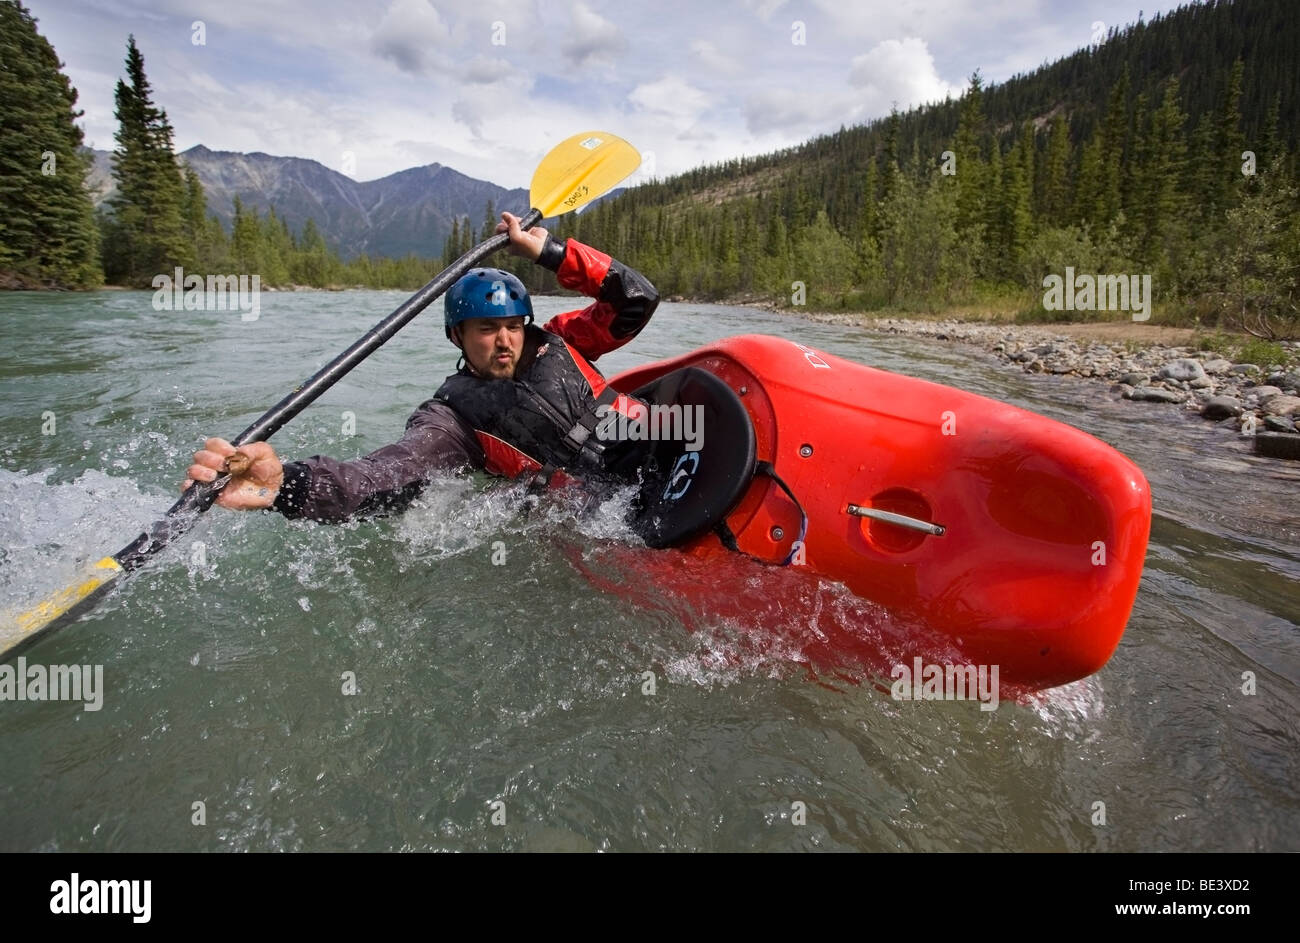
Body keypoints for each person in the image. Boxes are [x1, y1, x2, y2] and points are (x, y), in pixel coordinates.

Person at [183, 212, 659, 521]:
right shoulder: (453, 419)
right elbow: (382, 477)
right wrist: (286, 483)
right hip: (599, 513)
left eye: (513, 325)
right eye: (486, 329)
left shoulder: (563, 338)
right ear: (458, 336)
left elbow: (637, 299)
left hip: (650, 446)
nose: (505, 341)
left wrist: (549, 252)